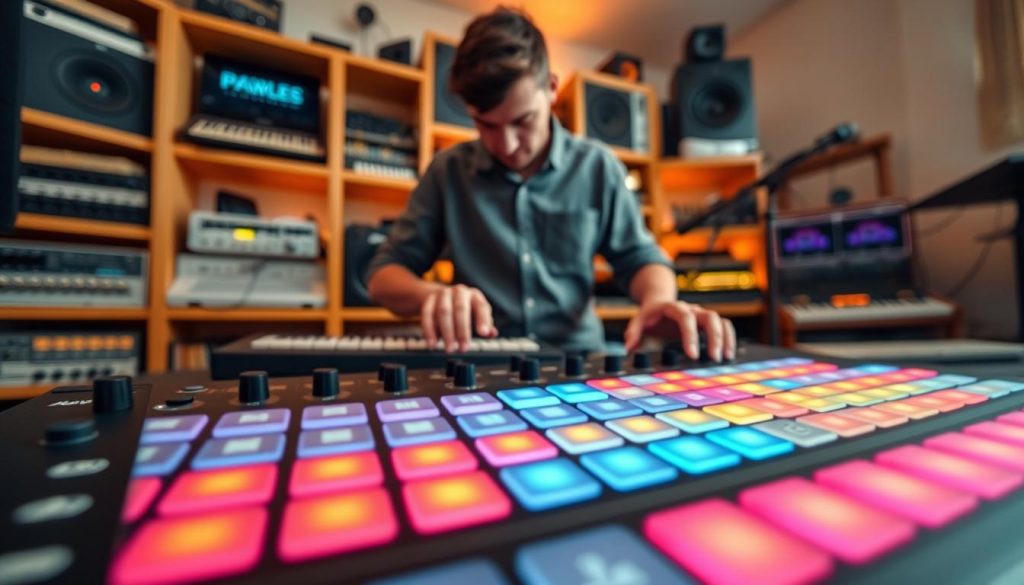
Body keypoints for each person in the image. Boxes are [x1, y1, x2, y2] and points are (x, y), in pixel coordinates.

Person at [367, 7, 735, 362]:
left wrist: (657, 301)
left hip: (578, 361)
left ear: (552, 88)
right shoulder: (447, 171)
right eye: (486, 125)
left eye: (522, 120)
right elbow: (383, 275)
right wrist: (430, 295)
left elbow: (639, 258)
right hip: (479, 363)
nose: (507, 145)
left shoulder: (597, 166)